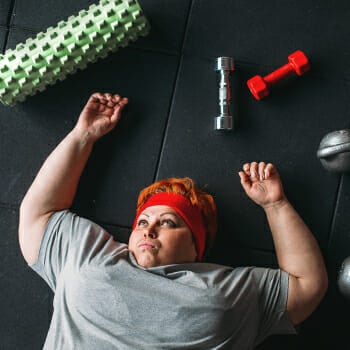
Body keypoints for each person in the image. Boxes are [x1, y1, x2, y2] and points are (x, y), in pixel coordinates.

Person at [18, 92, 328, 349]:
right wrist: (82, 136)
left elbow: (308, 285)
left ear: (197, 247)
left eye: (168, 222)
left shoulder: (227, 291)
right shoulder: (91, 256)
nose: (148, 229)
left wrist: (276, 205)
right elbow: (38, 214)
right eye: (141, 222)